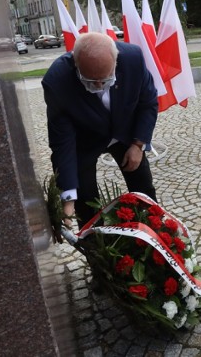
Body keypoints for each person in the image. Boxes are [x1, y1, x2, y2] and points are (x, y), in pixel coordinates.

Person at [42, 32, 159, 229]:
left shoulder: (133, 59)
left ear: (116, 61)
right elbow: (62, 141)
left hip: (125, 134)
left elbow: (147, 103)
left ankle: (153, 237)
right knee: (86, 203)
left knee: (144, 190)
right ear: (75, 64)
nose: (98, 85)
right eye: (90, 80)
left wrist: (138, 144)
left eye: (104, 79)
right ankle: (97, 246)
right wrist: (68, 200)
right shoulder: (57, 81)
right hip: (85, 140)